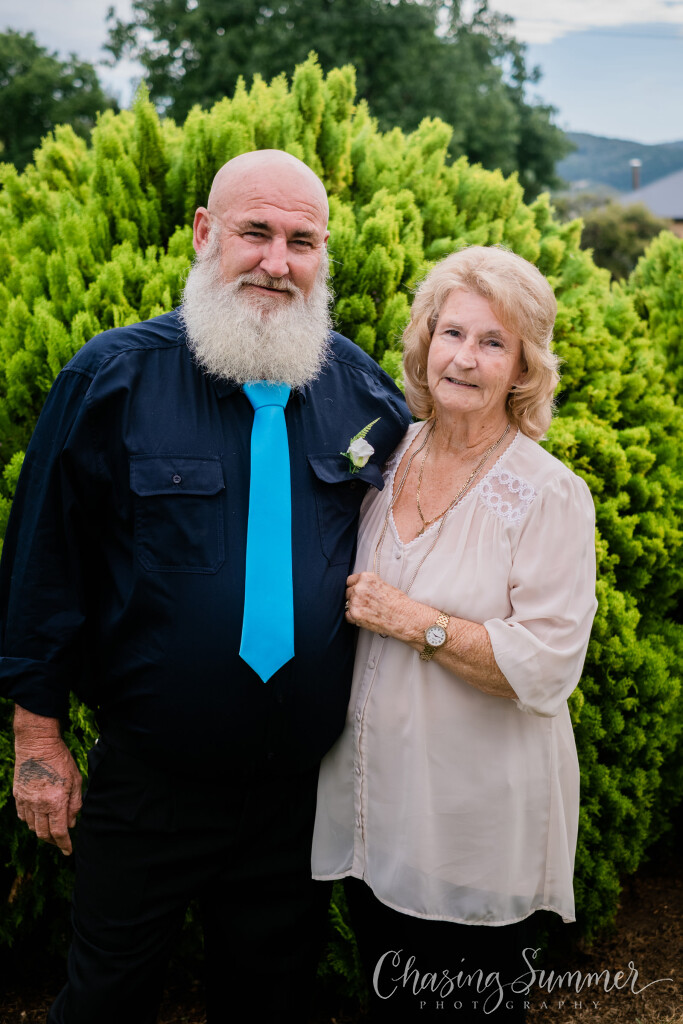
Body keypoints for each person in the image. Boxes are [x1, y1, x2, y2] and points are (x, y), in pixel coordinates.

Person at [0, 148, 410, 1024]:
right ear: (202, 233)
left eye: (302, 242)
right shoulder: (110, 379)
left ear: (323, 254)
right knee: (105, 1000)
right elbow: (44, 563)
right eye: (255, 232)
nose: (277, 262)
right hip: (149, 787)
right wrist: (37, 738)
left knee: (272, 1003)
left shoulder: (364, 395)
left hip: (296, 797)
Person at [312, 245, 598, 1022]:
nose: (464, 358)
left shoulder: (543, 494)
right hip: (377, 809)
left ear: (523, 368)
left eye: (492, 342)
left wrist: (413, 621)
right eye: (452, 333)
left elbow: (546, 665)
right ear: (424, 342)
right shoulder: (385, 455)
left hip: (472, 824)